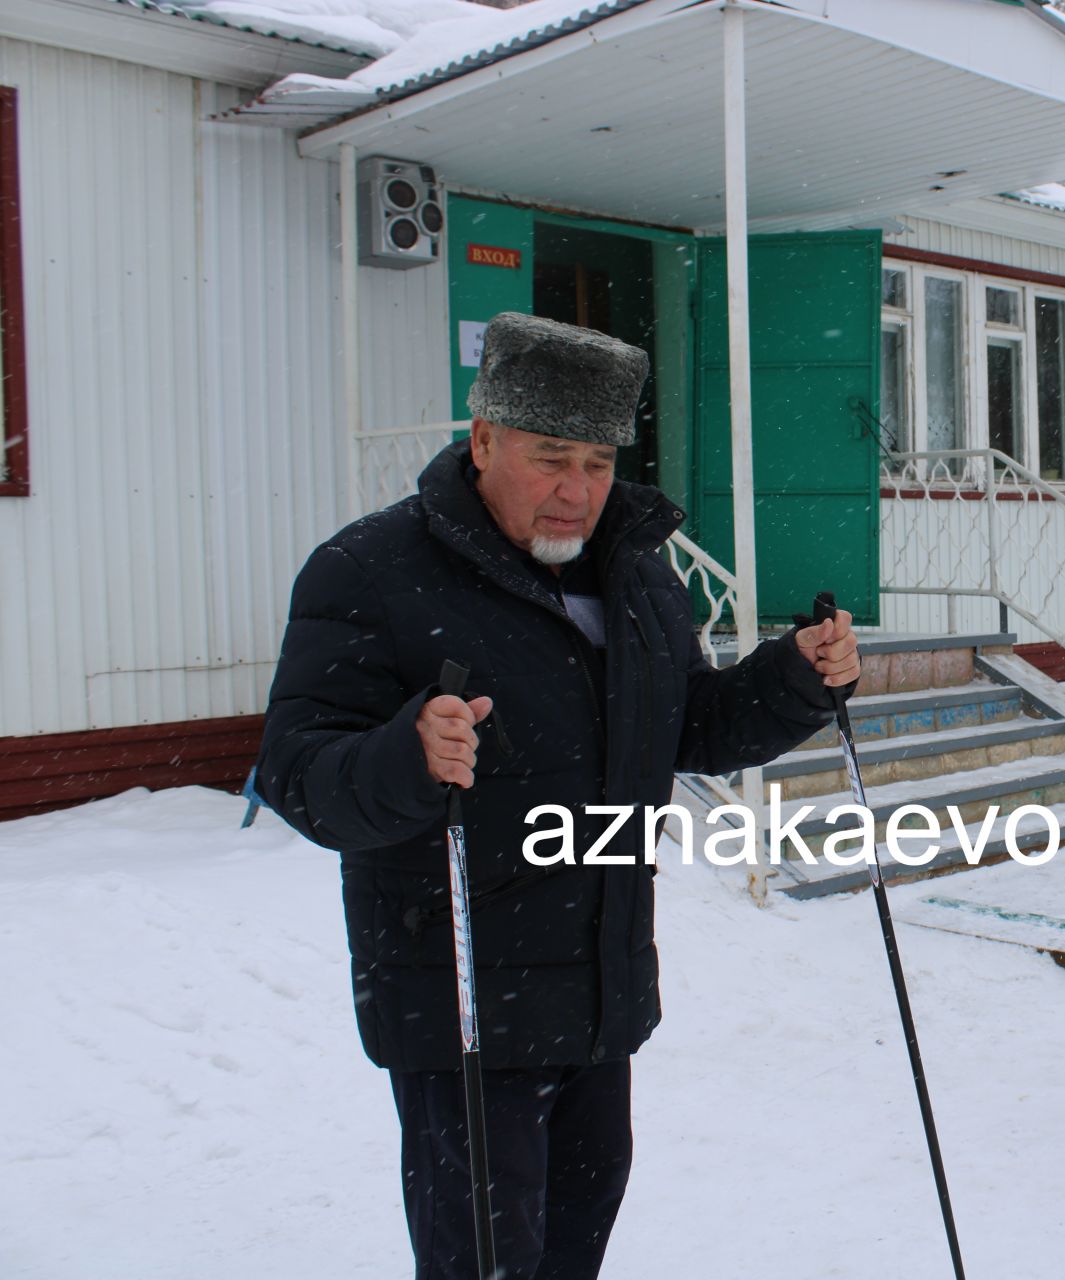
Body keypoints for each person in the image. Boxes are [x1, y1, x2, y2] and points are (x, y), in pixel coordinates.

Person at [253, 313, 859, 1277]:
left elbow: (690, 725)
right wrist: (405, 755)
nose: (577, 492)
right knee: (487, 1259)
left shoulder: (638, 578)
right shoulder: (370, 570)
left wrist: (793, 677)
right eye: (549, 459)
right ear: (483, 438)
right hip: (460, 1001)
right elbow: (297, 771)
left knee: (577, 1240)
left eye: (598, 462)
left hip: (597, 988)